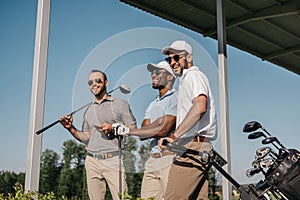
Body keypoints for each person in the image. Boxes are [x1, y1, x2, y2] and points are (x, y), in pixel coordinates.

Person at [60, 69, 137, 200]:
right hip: (92, 161)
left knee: (122, 198)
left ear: (106, 83)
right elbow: (86, 138)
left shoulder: (120, 104)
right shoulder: (87, 109)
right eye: (90, 82)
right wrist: (70, 128)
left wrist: (113, 128)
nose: (93, 84)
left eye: (97, 80)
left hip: (113, 160)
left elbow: (133, 128)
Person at [158, 40, 217, 200]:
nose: (172, 62)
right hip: (197, 147)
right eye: (168, 59)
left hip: (192, 147)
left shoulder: (193, 75)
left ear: (189, 57)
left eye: (176, 57)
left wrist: (173, 136)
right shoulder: (186, 79)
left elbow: (200, 107)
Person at [110, 61, 177, 199]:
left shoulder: (176, 98)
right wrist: (158, 123)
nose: (153, 74)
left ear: (170, 77)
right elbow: (143, 133)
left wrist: (129, 131)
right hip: (152, 160)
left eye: (158, 72)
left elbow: (164, 130)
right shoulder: (152, 104)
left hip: (170, 158)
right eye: (152, 72)